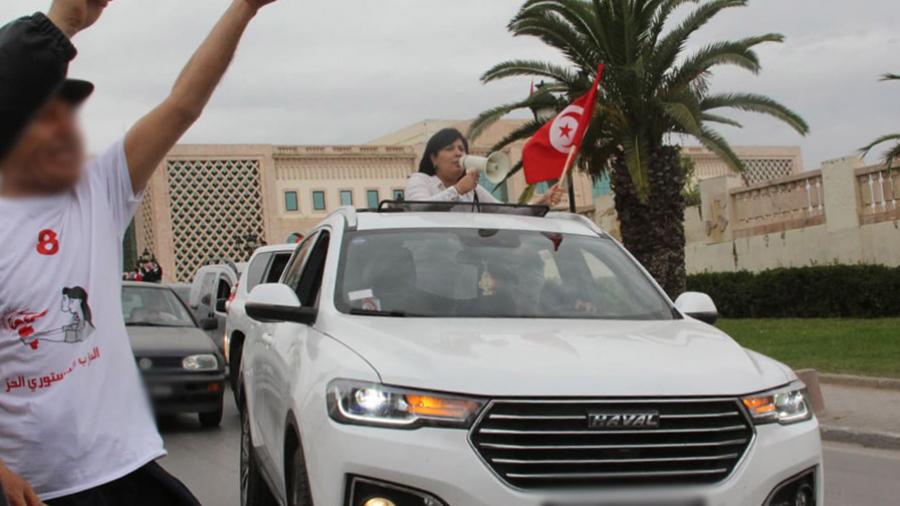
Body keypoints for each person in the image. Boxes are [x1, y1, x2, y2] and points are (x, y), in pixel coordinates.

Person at [0, 0, 281, 504]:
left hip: (123, 469)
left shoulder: (94, 191)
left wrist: (244, 8)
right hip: (37, 488)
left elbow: (182, 105)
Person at [405, 128, 565, 206]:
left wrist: (542, 201)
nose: (458, 154)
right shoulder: (420, 181)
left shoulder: (472, 190)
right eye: (449, 149)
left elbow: (506, 212)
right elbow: (419, 210)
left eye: (461, 149)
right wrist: (457, 190)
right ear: (433, 158)